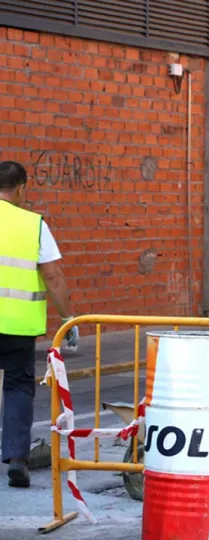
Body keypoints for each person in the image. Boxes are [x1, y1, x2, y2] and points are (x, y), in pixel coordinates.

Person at [0, 161, 79, 488]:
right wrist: (68, 318)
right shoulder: (33, 224)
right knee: (18, 386)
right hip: (18, 325)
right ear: (21, 188)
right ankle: (17, 458)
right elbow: (52, 276)